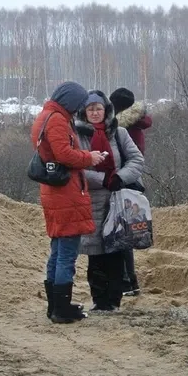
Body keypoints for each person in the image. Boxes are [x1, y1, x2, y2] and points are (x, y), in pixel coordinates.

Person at [31, 81, 108, 324]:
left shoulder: (46, 115)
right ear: (71, 101)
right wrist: (89, 157)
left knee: (57, 250)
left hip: (55, 192)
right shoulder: (56, 120)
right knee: (66, 253)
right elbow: (63, 154)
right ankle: (61, 309)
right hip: (65, 193)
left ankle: (55, 305)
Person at [74, 90, 145, 312]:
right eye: (91, 109)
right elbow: (75, 168)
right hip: (92, 200)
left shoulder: (119, 133)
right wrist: (102, 179)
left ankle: (114, 300)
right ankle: (99, 300)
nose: (95, 113)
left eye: (99, 108)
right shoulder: (76, 135)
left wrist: (120, 177)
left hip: (118, 199)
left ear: (106, 110)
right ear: (84, 112)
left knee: (115, 252)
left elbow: (136, 159)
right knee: (95, 254)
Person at [110, 87, 152, 297]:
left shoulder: (123, 129)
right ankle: (130, 282)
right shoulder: (136, 124)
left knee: (121, 234)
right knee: (124, 233)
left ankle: (127, 281)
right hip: (131, 181)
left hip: (123, 181)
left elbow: (127, 157)